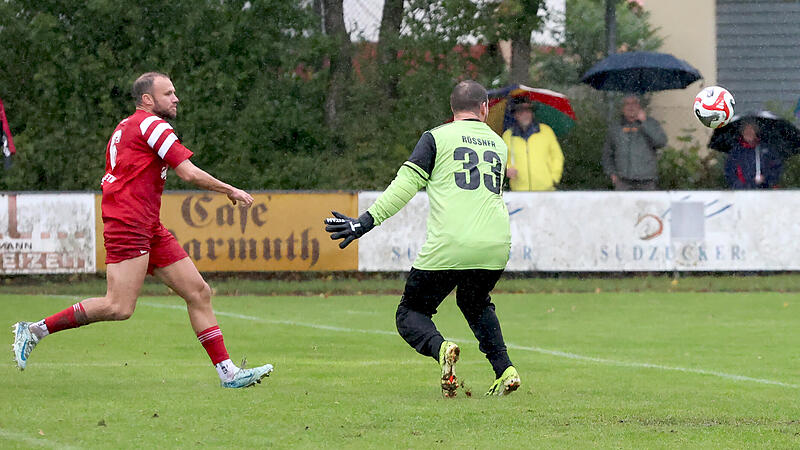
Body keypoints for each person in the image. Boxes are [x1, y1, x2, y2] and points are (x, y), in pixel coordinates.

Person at [11, 72, 273, 388]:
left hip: (146, 224)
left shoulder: (126, 126)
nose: (175, 98)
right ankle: (35, 329)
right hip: (129, 223)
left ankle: (228, 373)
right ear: (147, 100)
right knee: (118, 307)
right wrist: (229, 189)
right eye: (168, 93)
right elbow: (188, 173)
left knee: (198, 292)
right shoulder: (152, 125)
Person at [324, 80, 520, 397]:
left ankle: (442, 349)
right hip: (495, 243)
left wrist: (365, 222)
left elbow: (404, 187)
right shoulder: (499, 145)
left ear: (453, 109)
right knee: (475, 302)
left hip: (451, 243)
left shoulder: (437, 138)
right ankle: (506, 370)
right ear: (484, 108)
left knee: (410, 314)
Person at [601, 95, 667, 190]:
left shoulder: (651, 123)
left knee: (647, 205)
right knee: (623, 205)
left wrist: (645, 123)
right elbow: (607, 153)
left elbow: (661, 142)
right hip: (623, 182)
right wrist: (612, 173)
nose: (631, 107)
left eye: (634, 103)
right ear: (622, 108)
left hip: (647, 181)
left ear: (639, 106)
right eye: (627, 104)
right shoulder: (615, 128)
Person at [502, 98, 564, 191]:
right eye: (520, 111)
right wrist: (507, 169)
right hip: (519, 191)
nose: (525, 114)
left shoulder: (546, 131)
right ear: (515, 115)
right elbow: (503, 159)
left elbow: (557, 156)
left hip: (546, 190)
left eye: (528, 110)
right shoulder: (507, 135)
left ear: (532, 113)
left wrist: (554, 178)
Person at [724, 121, 783, 189]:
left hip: (764, 190)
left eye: (751, 130)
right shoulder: (735, 152)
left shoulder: (766, 149)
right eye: (746, 130)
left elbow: (776, 168)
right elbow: (729, 173)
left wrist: (765, 178)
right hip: (741, 192)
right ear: (742, 133)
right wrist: (741, 185)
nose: (748, 132)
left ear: (756, 132)